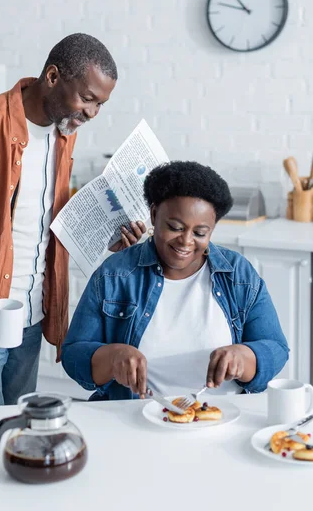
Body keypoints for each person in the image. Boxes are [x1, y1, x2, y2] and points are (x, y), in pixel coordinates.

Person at [0, 33, 146, 407]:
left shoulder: (63, 132)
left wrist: (107, 235)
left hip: (32, 314)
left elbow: (41, 222)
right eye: (87, 98)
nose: (91, 113)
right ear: (52, 77)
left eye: (100, 104)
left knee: (21, 426)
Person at [61, 161, 289, 400]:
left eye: (200, 233)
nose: (186, 241)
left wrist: (244, 357)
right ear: (153, 214)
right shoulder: (115, 275)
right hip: (135, 416)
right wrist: (113, 357)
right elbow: (74, 354)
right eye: (175, 227)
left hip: (221, 415)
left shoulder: (238, 274)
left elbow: (276, 348)